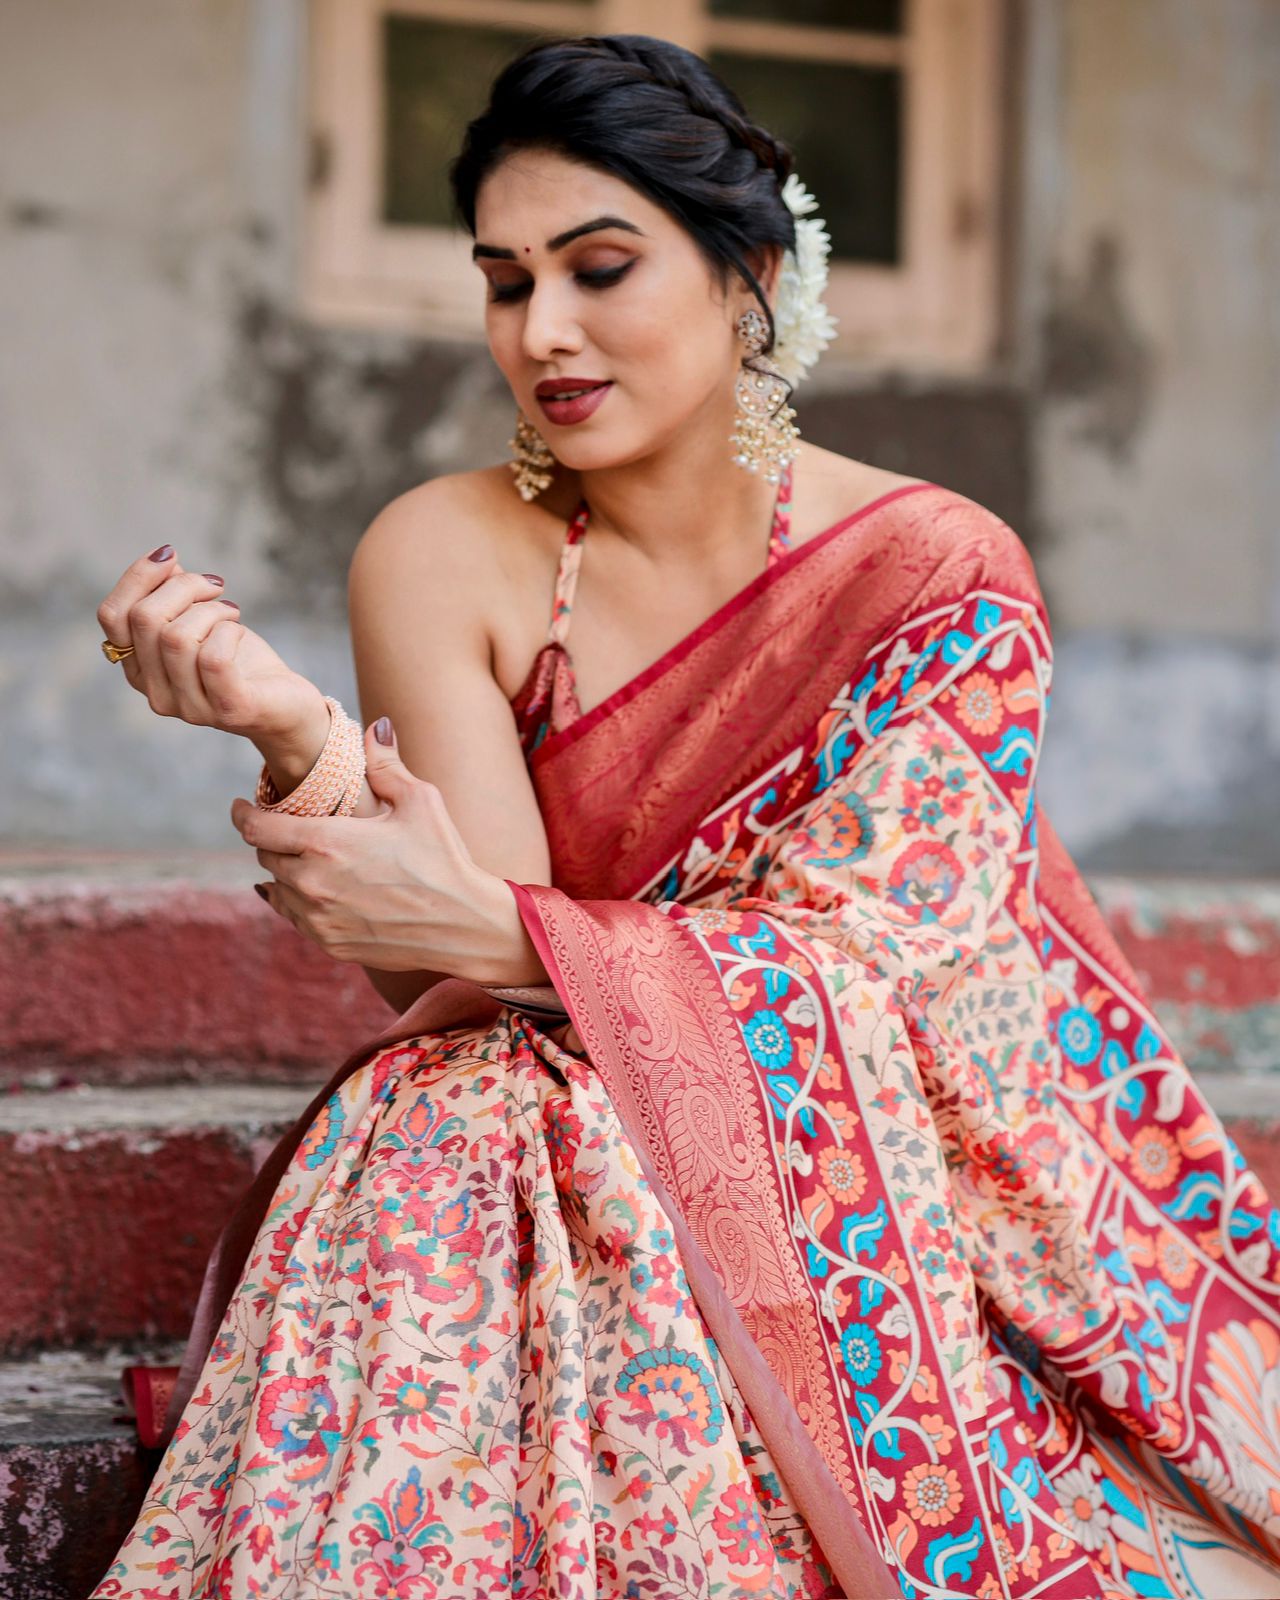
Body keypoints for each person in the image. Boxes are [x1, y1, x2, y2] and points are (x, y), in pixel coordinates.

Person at [90, 32, 1280, 1600]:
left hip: (895, 1170)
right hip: (568, 1092)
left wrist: (507, 937)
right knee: (463, 1100)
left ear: (747, 275)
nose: (545, 332)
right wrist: (295, 730)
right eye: (507, 282)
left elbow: (883, 981)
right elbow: (450, 962)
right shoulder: (445, 551)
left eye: (600, 267)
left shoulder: (936, 576)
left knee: (490, 1099)